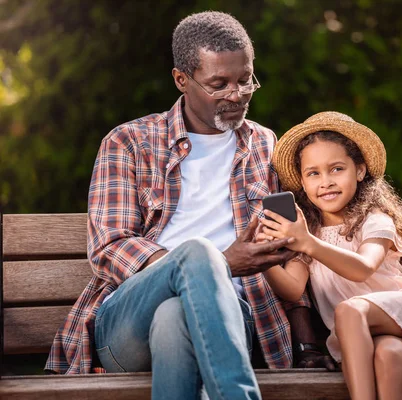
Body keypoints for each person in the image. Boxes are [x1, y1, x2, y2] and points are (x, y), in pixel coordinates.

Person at [44, 11, 332, 400]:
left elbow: (289, 244)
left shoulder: (265, 144)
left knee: (176, 316)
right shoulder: (129, 142)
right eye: (219, 84)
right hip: (128, 323)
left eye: (245, 80)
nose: (237, 94)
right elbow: (109, 245)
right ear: (182, 80)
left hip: (233, 315)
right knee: (197, 253)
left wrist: (307, 339)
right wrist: (218, 263)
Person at [258, 111, 402, 400]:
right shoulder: (310, 233)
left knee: (348, 309)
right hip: (370, 340)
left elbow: (363, 268)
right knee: (388, 357)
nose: (326, 182)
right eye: (313, 173)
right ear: (302, 182)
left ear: (359, 171)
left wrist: (308, 243)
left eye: (336, 169)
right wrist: (264, 257)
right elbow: (292, 289)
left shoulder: (374, 219)